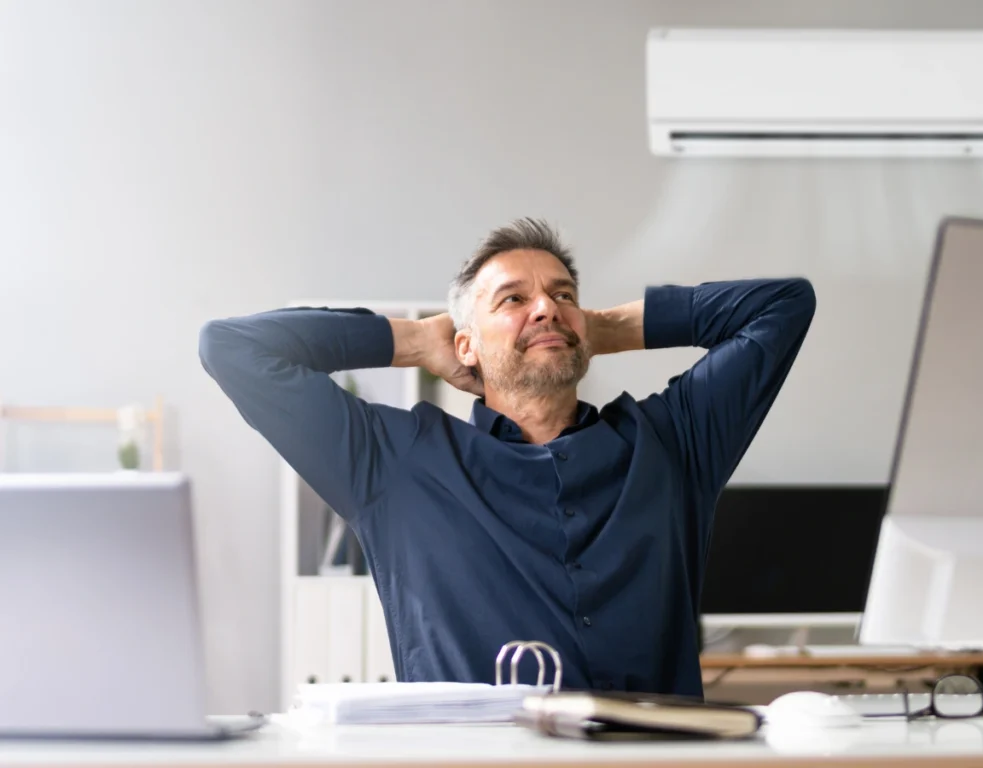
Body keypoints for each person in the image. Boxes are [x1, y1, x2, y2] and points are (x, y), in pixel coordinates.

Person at [199, 217, 815, 697]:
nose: (546, 306)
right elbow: (231, 348)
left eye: (562, 294)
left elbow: (783, 306)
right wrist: (414, 340)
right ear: (464, 343)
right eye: (512, 300)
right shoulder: (394, 464)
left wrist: (604, 326)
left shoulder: (675, 443)